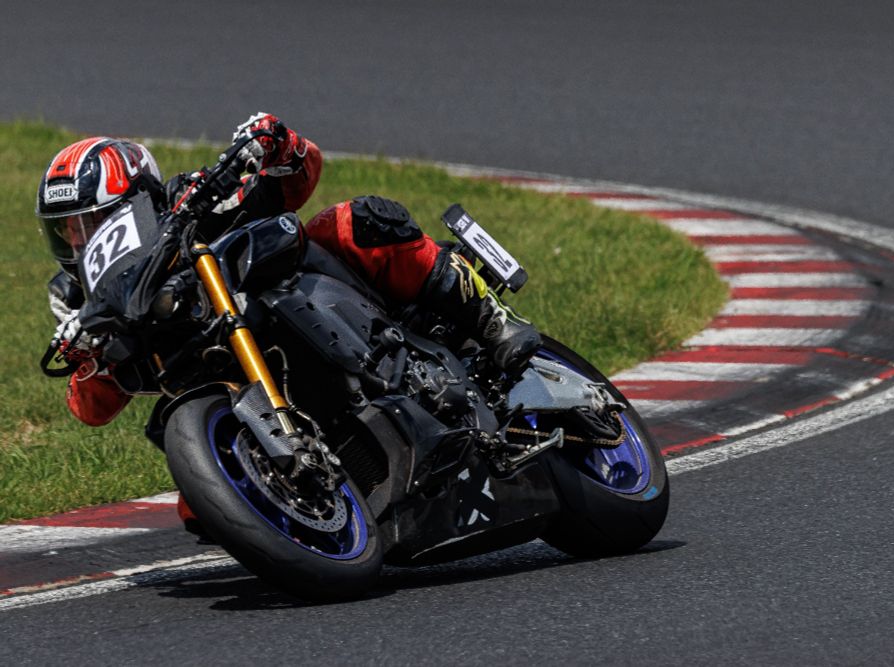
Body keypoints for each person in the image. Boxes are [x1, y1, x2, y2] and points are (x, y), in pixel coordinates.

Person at [36, 113, 541, 527]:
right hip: (235, 389)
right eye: (67, 231)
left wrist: (278, 143)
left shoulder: (190, 199)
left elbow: (298, 181)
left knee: (352, 223)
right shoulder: (80, 301)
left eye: (92, 222)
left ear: (138, 201)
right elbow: (92, 410)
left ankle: (491, 319)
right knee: (202, 508)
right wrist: (88, 357)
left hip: (311, 303)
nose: (81, 240)